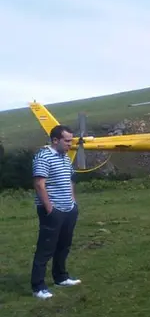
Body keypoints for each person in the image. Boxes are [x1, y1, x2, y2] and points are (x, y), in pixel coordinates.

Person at [30, 125, 82, 300]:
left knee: (64, 245)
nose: (70, 144)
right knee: (46, 248)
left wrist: (73, 202)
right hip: (53, 211)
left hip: (69, 209)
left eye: (71, 141)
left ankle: (61, 277)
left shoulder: (65, 157)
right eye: (67, 141)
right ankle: (38, 287)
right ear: (55, 140)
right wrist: (49, 208)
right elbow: (39, 184)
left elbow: (70, 179)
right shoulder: (43, 156)